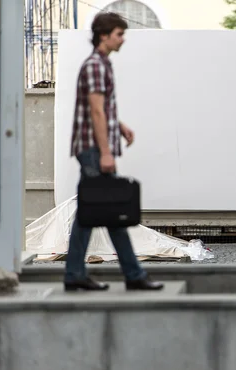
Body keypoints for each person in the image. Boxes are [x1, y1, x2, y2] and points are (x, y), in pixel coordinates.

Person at [64, 12, 163, 291]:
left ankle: (76, 275)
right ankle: (133, 276)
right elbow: (95, 110)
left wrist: (119, 126)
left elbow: (101, 108)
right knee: (107, 210)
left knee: (95, 211)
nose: (123, 39)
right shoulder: (96, 65)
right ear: (104, 35)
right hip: (94, 149)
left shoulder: (101, 64)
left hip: (94, 147)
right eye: (119, 34)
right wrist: (106, 152)